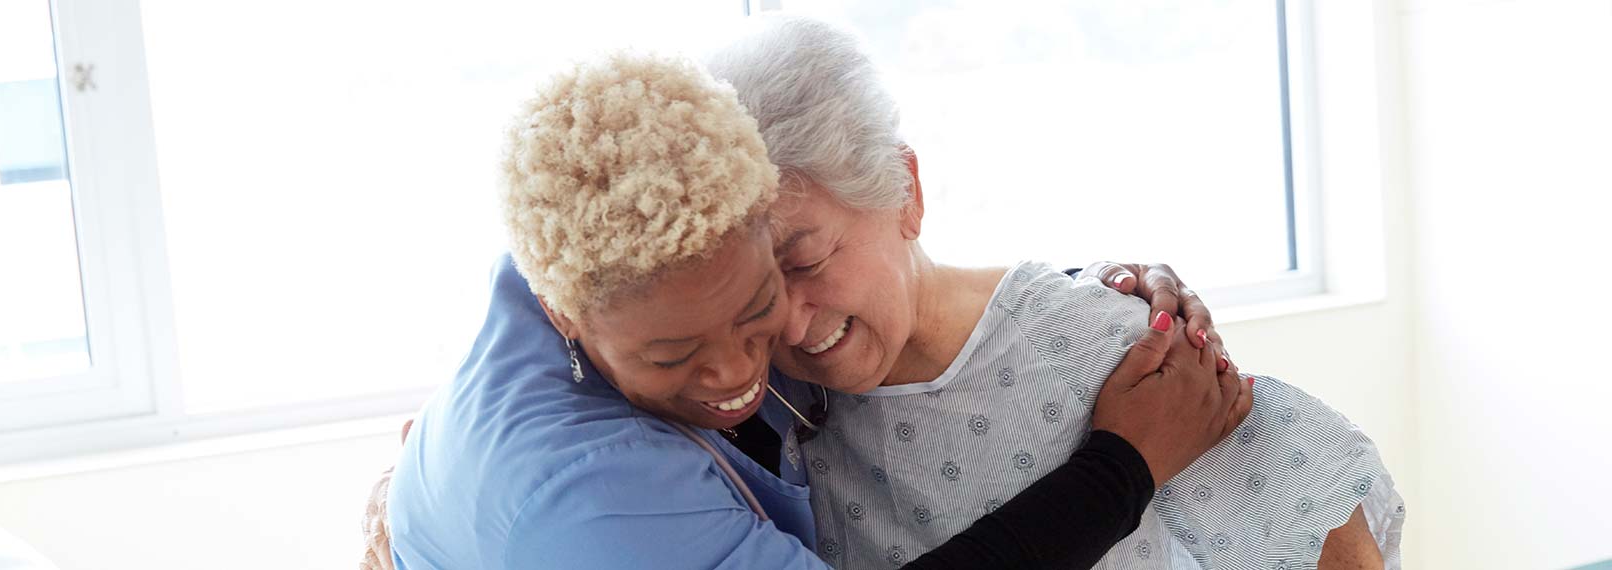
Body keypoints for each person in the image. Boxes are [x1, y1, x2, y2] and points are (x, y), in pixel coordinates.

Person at [387, 50, 1248, 569]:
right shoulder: (594, 505)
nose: (742, 369)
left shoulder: (610, 221)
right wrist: (1121, 468)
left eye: (762, 297)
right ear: (564, 313)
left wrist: (1080, 290)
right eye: (673, 354)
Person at [703, 15, 1403, 569]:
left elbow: (1314, 498)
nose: (790, 326)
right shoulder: (769, 399)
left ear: (904, 191)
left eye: (807, 262)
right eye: (753, 296)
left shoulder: (1084, 341)